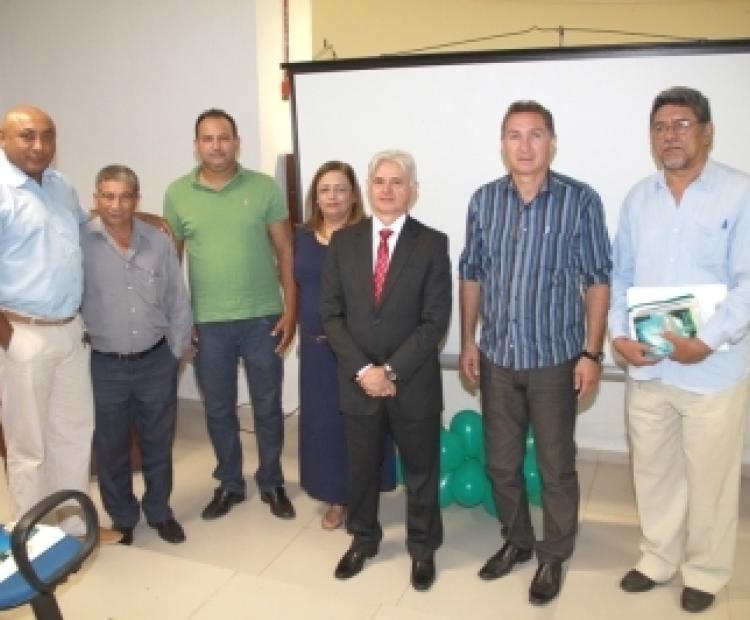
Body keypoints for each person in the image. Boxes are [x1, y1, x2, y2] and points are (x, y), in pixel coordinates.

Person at [459, 100, 611, 605]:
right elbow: (472, 273)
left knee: (555, 465)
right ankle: (518, 540)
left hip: (555, 359)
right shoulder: (484, 200)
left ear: (552, 141)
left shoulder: (580, 200)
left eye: (535, 134)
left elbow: (597, 280)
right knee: (501, 464)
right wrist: (468, 339)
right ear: (502, 143)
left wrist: (591, 354)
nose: (525, 146)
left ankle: (554, 554)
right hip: (498, 358)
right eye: (514, 135)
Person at [609, 86, 750, 614]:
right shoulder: (638, 198)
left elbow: (747, 283)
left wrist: (706, 342)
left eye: (682, 124)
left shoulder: (739, 193)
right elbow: (620, 276)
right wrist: (619, 336)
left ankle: (707, 571)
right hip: (649, 369)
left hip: (712, 369)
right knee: (653, 471)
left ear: (707, 132)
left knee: (711, 479)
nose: (670, 135)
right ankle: (657, 558)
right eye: (661, 127)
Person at [321, 150, 451, 592]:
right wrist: (364, 370)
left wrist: (390, 370)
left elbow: (435, 321)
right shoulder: (344, 242)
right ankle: (363, 539)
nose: (388, 189)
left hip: (412, 382)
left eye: (398, 182)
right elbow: (331, 315)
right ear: (369, 188)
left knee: (421, 471)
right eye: (379, 181)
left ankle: (423, 548)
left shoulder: (432, 243)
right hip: (358, 381)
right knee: (360, 469)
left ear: (413, 190)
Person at [163, 108, 297, 521]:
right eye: (208, 138)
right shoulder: (178, 193)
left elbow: (286, 251)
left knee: (267, 405)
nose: (217, 146)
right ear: (196, 145)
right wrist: (180, 322)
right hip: (208, 323)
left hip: (263, 317)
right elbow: (171, 264)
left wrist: (291, 310)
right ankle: (230, 484)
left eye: (224, 138)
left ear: (237, 143)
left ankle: (272, 481)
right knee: (219, 408)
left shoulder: (263, 188)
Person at [0, 105, 101, 537]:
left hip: (70, 331)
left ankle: (74, 528)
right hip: (23, 333)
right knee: (29, 447)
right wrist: (8, 337)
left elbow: (88, 233)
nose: (39, 145)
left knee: (73, 435)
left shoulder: (60, 186)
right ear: (3, 139)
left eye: (47, 135)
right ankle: (33, 538)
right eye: (27, 135)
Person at [81, 165, 192, 545]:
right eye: (108, 196)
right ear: (96, 199)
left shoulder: (157, 241)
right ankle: (123, 517)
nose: (116, 205)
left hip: (155, 360)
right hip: (104, 364)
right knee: (111, 447)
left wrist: (176, 354)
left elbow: (178, 300)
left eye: (124, 197)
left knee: (158, 443)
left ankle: (159, 511)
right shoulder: (80, 242)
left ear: (136, 199)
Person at [295, 161, 397, 530]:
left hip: (356, 352)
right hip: (316, 351)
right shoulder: (301, 237)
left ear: (354, 195)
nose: (333, 196)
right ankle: (335, 498)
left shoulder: (367, 237)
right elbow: (294, 284)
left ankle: (361, 497)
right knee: (324, 427)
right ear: (315, 197)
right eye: (325, 189)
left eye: (341, 189)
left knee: (359, 428)